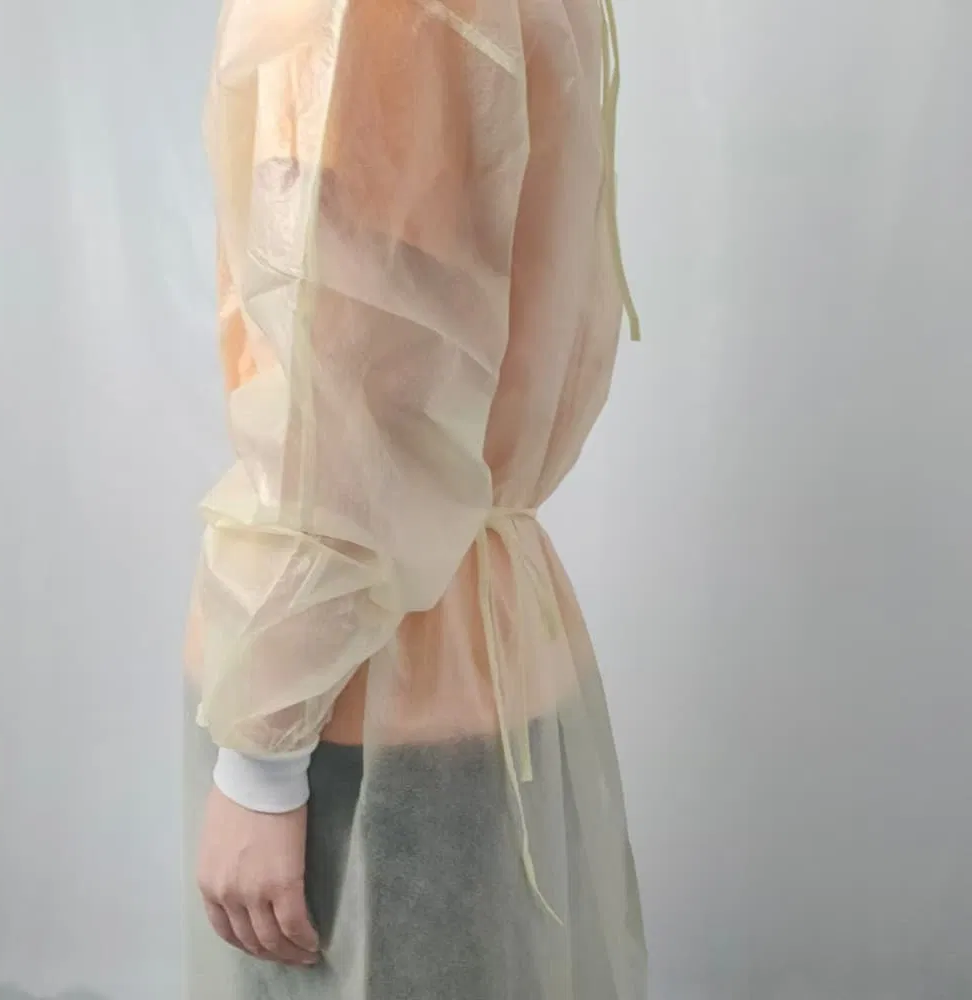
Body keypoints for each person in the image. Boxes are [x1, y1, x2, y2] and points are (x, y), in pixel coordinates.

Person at [184, 0, 647, 997]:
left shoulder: (369, 16)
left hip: (358, 687)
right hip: (493, 637)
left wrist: (261, 757)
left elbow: (355, 396)